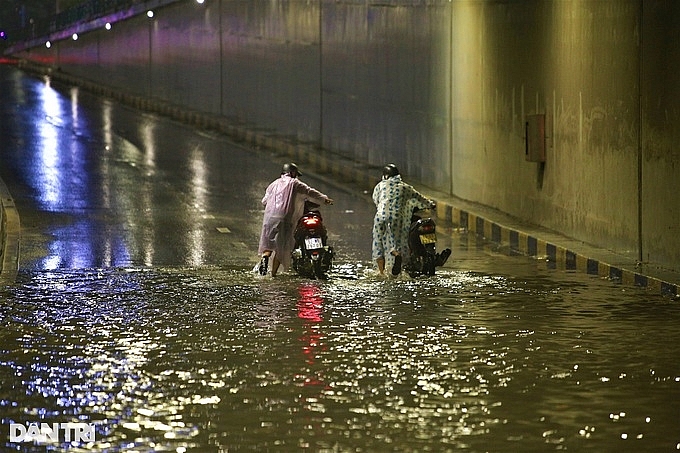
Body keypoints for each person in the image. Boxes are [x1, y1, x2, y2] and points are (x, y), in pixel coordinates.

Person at [258, 163, 333, 277]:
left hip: (269, 218)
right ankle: (273, 274)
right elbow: (310, 191)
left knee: (268, 243)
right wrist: (324, 199)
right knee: (281, 247)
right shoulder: (295, 183)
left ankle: (265, 258)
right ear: (292, 173)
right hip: (284, 218)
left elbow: (264, 201)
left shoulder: (273, 184)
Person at [372, 163, 435, 276]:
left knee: (378, 241)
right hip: (396, 217)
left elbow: (376, 200)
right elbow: (418, 196)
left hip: (380, 217)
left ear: (385, 176)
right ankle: (397, 254)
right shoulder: (404, 187)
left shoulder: (380, 186)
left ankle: (381, 273)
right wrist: (430, 204)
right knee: (395, 240)